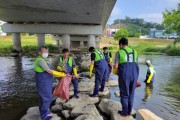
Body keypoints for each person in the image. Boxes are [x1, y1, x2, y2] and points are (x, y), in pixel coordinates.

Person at [34, 46, 66, 120]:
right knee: (47, 97)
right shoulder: (40, 60)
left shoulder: (42, 59)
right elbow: (49, 71)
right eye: (44, 52)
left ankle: (42, 111)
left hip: (44, 82)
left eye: (47, 52)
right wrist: (62, 74)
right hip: (43, 82)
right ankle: (44, 115)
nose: (46, 53)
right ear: (39, 52)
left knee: (42, 97)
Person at [113, 37, 139, 116]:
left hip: (125, 75)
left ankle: (124, 112)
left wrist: (114, 69)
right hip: (134, 75)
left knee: (124, 93)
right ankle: (129, 111)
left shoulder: (119, 52)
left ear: (120, 44)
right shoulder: (135, 52)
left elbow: (116, 66)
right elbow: (137, 64)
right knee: (131, 93)